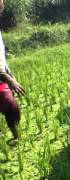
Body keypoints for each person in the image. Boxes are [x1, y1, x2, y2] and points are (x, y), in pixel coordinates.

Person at [0, 0, 25, 139]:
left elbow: (0, 58)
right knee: (10, 106)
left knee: (12, 108)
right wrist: (10, 80)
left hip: (1, 78)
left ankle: (17, 136)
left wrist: (10, 74)